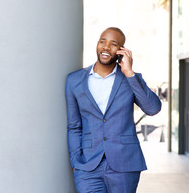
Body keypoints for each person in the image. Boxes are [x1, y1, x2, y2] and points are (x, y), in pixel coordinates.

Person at [65, 27, 161, 193]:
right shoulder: (74, 80)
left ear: (121, 51)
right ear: (97, 44)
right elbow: (74, 126)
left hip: (124, 164)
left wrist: (130, 73)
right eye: (103, 41)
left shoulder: (130, 78)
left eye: (113, 44)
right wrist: (76, 162)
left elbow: (153, 108)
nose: (106, 47)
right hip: (88, 166)